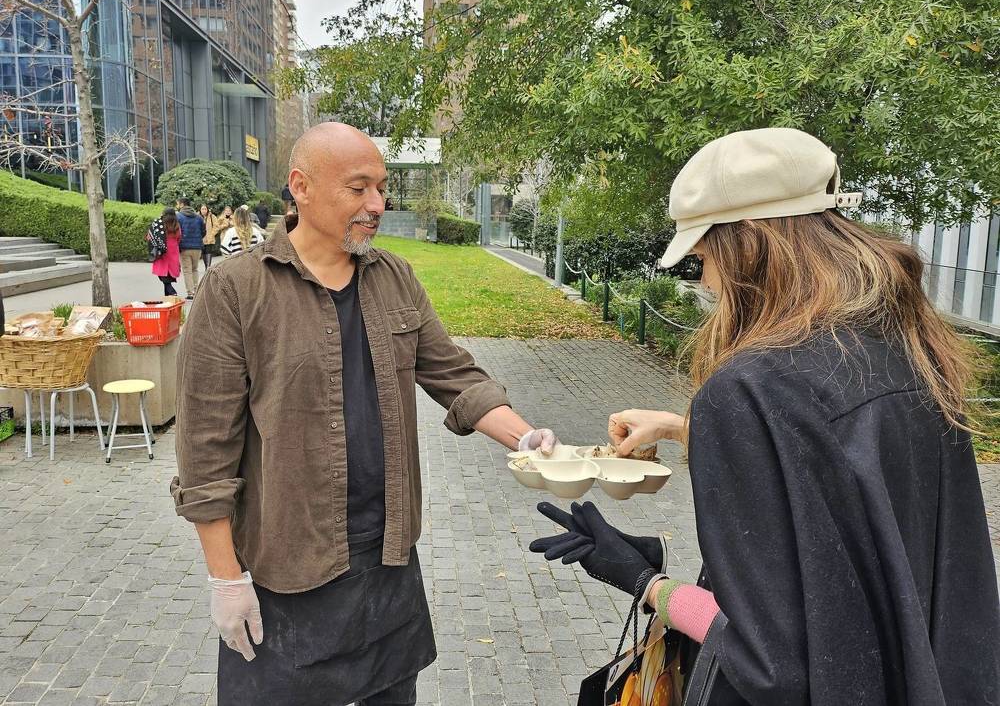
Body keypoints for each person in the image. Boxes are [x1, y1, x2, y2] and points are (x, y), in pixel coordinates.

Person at [530, 128, 1000, 704]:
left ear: (749, 243)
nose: (704, 280)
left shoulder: (747, 389)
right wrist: (682, 428)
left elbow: (769, 663)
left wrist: (645, 581)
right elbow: (838, 473)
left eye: (703, 257)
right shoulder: (911, 348)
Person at [169, 122, 557, 706]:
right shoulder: (236, 290)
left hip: (387, 555)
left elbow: (454, 375)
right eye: (358, 188)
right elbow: (206, 452)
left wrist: (526, 439)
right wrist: (226, 579)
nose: (376, 204)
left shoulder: (394, 278)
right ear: (301, 186)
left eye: (381, 188)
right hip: (288, 565)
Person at [176, 197, 206, 299]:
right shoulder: (199, 217)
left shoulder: (178, 216)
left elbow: (177, 232)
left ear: (182, 204)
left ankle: (191, 293)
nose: (177, 206)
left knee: (187, 270)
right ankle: (196, 290)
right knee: (195, 269)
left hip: (184, 247)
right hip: (197, 247)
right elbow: (203, 231)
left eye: (178, 204)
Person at [149, 207, 181, 296]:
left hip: (161, 251)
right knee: (168, 276)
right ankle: (168, 298)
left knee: (163, 275)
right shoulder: (176, 224)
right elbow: (179, 237)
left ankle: (173, 293)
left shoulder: (159, 224)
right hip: (173, 249)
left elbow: (151, 236)